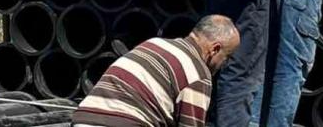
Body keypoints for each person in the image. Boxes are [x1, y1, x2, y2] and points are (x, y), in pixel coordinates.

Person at [72, 15, 241, 127]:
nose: (224, 64)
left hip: (82, 120)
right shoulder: (198, 74)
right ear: (214, 49)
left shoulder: (154, 43)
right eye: (227, 57)